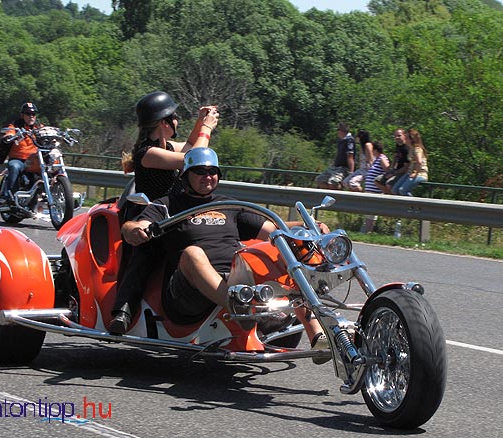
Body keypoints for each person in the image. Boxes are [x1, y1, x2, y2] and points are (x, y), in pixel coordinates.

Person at [110, 148, 331, 363]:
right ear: (186, 175)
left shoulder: (229, 205)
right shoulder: (168, 205)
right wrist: (137, 230)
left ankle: (318, 335)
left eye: (213, 171)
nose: (208, 176)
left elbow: (274, 230)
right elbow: (134, 225)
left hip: (238, 279)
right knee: (193, 253)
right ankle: (240, 309)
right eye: (201, 171)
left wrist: (309, 226)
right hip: (188, 290)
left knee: (281, 251)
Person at [119, 91, 219, 221]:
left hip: (171, 214)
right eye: (175, 116)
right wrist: (207, 127)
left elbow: (190, 145)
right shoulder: (148, 153)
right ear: (164, 123)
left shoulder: (168, 147)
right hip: (154, 218)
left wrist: (200, 121)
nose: (177, 121)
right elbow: (194, 158)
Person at [0, 102, 44, 203]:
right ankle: (10, 195)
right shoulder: (16, 125)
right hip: (19, 159)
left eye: (33, 114)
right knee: (14, 166)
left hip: (34, 159)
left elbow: (46, 133)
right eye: (28, 114)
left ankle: (58, 194)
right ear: (22, 115)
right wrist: (8, 136)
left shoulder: (39, 127)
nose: (31, 116)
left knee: (50, 167)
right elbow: (10, 132)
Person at [314, 122, 356, 190]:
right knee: (319, 180)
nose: (337, 132)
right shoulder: (341, 141)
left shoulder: (349, 140)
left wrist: (351, 172)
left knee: (333, 183)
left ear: (342, 130)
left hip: (343, 168)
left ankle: (339, 194)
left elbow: (350, 156)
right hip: (335, 167)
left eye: (338, 130)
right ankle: (330, 194)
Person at [362, 140, 390, 233]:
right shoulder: (376, 160)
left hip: (376, 191)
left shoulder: (382, 158)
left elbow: (387, 170)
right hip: (371, 191)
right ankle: (368, 231)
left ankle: (367, 231)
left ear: (375, 150)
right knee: (369, 213)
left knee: (370, 213)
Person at [391, 128, 429, 196]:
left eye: (407, 137)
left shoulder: (417, 149)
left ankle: (414, 204)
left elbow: (419, 162)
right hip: (409, 173)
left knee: (402, 190)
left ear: (411, 139)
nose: (405, 138)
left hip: (420, 173)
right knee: (394, 190)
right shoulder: (411, 149)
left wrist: (416, 173)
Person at [374, 128, 410, 194]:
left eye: (399, 135)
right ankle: (389, 196)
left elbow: (406, 167)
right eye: (395, 136)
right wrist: (391, 169)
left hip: (403, 172)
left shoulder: (406, 148)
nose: (396, 137)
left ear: (404, 135)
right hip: (396, 170)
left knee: (389, 184)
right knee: (378, 180)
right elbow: (395, 157)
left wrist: (395, 173)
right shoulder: (398, 146)